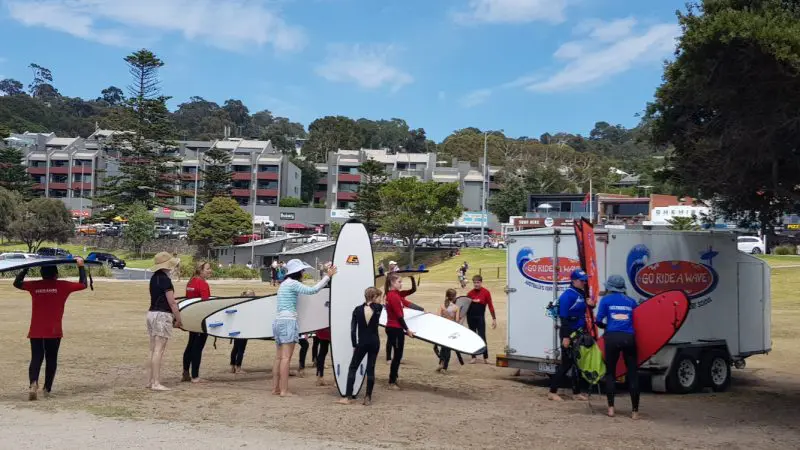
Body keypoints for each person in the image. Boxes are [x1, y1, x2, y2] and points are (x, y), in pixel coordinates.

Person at [14, 259, 88, 400]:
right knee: (51, 358)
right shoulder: (63, 285)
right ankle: (47, 388)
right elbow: (83, 284)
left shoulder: (34, 285)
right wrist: (81, 266)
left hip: (36, 329)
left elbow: (16, 283)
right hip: (53, 330)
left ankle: (33, 383)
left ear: (41, 274)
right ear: (56, 274)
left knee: (36, 357)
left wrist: (25, 268)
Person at [272, 259, 337, 397]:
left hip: (278, 321)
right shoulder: (293, 284)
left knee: (279, 358)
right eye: (302, 271)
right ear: (298, 272)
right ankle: (284, 390)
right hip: (289, 321)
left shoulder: (284, 284)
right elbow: (313, 290)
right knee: (286, 358)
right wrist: (328, 276)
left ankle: (276, 388)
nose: (303, 273)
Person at [596, 275, 640, 419]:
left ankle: (611, 409)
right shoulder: (631, 301)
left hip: (612, 337)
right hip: (629, 338)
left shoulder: (606, 300)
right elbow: (640, 319)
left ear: (609, 287)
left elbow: (598, 321)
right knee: (632, 374)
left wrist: (606, 326)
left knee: (610, 373)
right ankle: (634, 412)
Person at [548, 269, 590, 402]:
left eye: (585, 280)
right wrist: (566, 337)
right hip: (569, 333)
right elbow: (564, 317)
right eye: (581, 280)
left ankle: (576, 392)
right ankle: (552, 391)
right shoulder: (567, 296)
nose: (584, 282)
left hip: (579, 333)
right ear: (574, 281)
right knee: (566, 364)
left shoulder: (581, 293)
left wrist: (591, 306)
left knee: (577, 363)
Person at [337, 287, 383, 406]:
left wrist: (354, 344)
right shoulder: (378, 308)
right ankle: (368, 397)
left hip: (362, 342)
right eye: (379, 297)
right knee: (370, 369)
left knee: (353, 368)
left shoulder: (357, 310)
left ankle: (348, 397)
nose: (380, 300)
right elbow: (375, 306)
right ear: (373, 298)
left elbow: (353, 330)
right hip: (374, 342)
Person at [146, 252, 182, 391]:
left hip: (151, 313)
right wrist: (178, 319)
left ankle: (150, 380)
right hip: (162, 315)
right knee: (159, 350)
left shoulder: (154, 278)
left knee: (153, 349)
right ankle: (155, 382)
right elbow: (172, 302)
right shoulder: (166, 280)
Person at [384, 273, 417, 390]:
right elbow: (399, 316)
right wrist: (407, 330)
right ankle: (392, 382)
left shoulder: (396, 294)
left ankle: (394, 378)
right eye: (399, 282)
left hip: (395, 328)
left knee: (398, 355)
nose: (401, 284)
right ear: (392, 283)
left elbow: (413, 290)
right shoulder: (393, 296)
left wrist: (412, 278)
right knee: (397, 356)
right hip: (395, 328)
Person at [182, 261, 212, 383]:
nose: (210, 271)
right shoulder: (202, 283)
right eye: (208, 269)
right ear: (201, 270)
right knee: (197, 347)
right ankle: (195, 376)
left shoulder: (191, 281)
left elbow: (188, 299)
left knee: (190, 345)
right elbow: (206, 303)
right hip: (200, 319)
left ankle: (185, 372)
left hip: (191, 318)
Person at [466, 274, 496, 364]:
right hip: (470, 317)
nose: (476, 284)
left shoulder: (486, 292)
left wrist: (494, 318)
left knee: (482, 337)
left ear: (481, 282)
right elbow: (465, 306)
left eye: (478, 282)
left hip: (480, 318)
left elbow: (490, 306)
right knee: (472, 337)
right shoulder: (470, 293)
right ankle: (473, 357)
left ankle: (485, 357)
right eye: (474, 283)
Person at [437, 289, 462, 374]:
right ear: (454, 297)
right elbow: (457, 320)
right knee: (448, 349)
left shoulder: (441, 306)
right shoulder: (456, 308)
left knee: (443, 347)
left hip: (442, 329)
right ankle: (444, 367)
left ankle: (441, 363)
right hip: (451, 329)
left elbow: (438, 317)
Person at [230, 290, 255, 374]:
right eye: (253, 295)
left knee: (235, 348)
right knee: (241, 349)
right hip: (242, 330)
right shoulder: (247, 306)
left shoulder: (238, 304)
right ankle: (238, 368)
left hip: (236, 329)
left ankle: (232, 366)